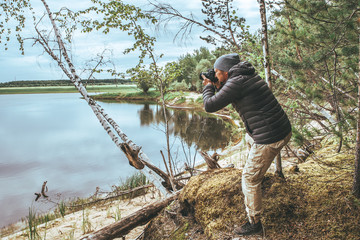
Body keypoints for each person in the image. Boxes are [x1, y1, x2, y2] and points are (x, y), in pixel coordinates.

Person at [201, 53, 292, 236]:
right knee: (249, 142)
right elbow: (228, 93)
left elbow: (209, 105)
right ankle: (259, 179)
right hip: (276, 130)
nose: (216, 76)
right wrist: (217, 83)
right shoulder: (245, 76)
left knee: (249, 179)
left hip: (270, 137)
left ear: (226, 72)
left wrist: (209, 87)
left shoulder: (237, 82)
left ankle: (254, 223)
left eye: (218, 73)